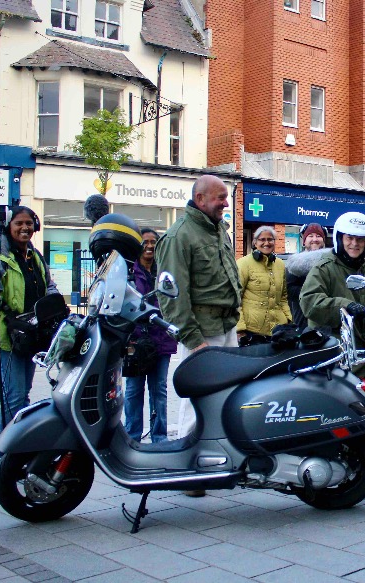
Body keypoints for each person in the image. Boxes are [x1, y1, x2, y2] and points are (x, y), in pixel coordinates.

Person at [156, 175, 240, 495]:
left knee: (223, 398)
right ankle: (189, 471)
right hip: (202, 334)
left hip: (226, 328)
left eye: (226, 197)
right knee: (194, 402)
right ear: (200, 198)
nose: (226, 203)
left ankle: (215, 459)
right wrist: (193, 340)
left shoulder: (218, 229)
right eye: (220, 198)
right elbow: (172, 295)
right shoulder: (179, 235)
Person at [0, 206, 59, 433]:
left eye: (29, 223)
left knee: (23, 395)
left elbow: (49, 286)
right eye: (19, 223)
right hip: (7, 336)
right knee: (13, 397)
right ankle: (7, 456)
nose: (25, 228)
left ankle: (20, 449)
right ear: (8, 227)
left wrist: (54, 301)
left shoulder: (36, 257)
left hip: (30, 336)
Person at [299, 212, 365, 350]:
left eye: (360, 239)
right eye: (350, 238)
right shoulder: (324, 268)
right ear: (339, 239)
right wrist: (346, 306)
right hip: (337, 346)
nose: (355, 243)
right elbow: (309, 301)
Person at [124, 228, 178, 443]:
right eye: (145, 242)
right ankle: (133, 436)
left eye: (153, 242)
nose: (149, 246)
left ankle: (159, 438)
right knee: (133, 390)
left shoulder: (165, 271)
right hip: (135, 340)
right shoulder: (128, 272)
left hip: (161, 339)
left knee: (159, 391)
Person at [236, 226, 293, 344]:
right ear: (255, 242)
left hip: (278, 329)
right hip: (253, 331)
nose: (266, 243)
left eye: (270, 239)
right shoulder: (243, 264)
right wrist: (240, 329)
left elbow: (283, 297)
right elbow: (236, 298)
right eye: (262, 239)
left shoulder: (280, 265)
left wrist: (288, 319)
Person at [286, 223, 327, 328]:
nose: (315, 239)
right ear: (304, 241)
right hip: (302, 318)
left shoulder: (331, 261)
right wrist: (312, 294)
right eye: (310, 236)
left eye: (318, 236)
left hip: (327, 317)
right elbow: (289, 290)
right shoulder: (296, 263)